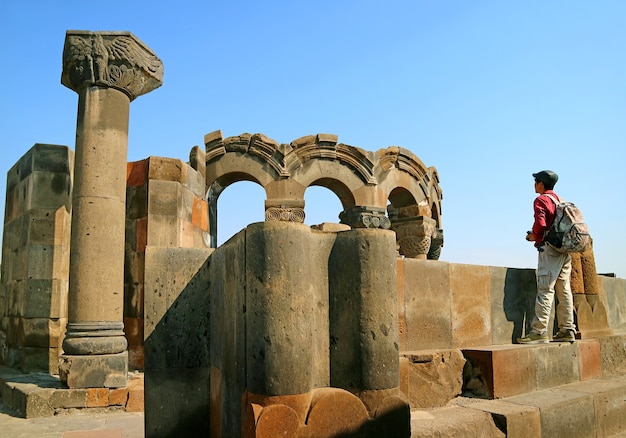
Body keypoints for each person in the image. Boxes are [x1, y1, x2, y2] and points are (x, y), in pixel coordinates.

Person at [517, 170, 577, 344]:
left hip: (550, 249)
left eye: (536, 182)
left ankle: (539, 331)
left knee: (545, 288)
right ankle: (567, 329)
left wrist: (533, 236)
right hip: (564, 250)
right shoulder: (560, 200)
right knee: (563, 290)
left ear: (541, 184)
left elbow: (541, 224)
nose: (534, 185)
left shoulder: (541, 199)